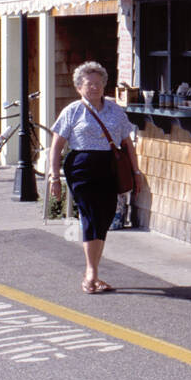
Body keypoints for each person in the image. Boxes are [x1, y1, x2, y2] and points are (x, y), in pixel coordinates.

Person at [49, 62, 142, 294]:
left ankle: (93, 271)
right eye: (90, 84)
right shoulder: (72, 111)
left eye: (99, 84)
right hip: (81, 168)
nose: (95, 88)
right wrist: (54, 177)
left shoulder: (114, 110)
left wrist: (136, 172)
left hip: (110, 167)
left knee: (105, 216)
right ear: (79, 87)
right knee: (90, 215)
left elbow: (127, 143)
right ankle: (91, 273)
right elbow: (56, 145)